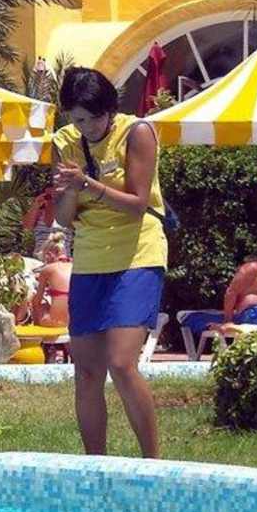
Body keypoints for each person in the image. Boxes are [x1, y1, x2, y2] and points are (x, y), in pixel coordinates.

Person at [53, 67, 167, 458]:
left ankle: (153, 463)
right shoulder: (65, 142)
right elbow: (63, 218)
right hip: (90, 258)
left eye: (91, 119)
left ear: (108, 111)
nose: (84, 128)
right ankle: (96, 465)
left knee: (121, 362)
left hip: (137, 254)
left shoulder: (137, 133)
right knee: (86, 372)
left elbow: (138, 204)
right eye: (77, 120)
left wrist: (88, 184)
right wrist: (70, 191)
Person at [30, 231, 72, 329]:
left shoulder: (47, 269)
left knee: (37, 304)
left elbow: (37, 301)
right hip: (76, 321)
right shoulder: (76, 267)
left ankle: (38, 333)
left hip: (56, 322)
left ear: (49, 255)